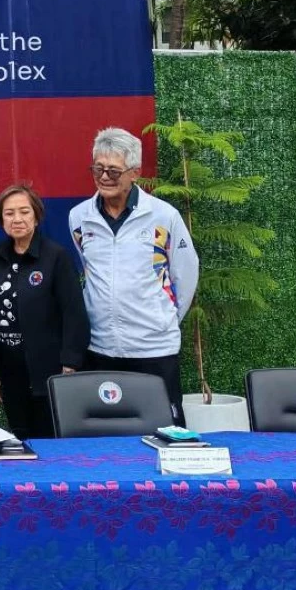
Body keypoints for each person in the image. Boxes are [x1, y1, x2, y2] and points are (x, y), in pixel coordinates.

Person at [69, 127, 199, 422]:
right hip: (100, 348)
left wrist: (161, 319)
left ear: (134, 173)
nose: (104, 178)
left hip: (155, 349)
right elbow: (87, 270)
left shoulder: (164, 216)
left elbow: (185, 274)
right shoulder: (78, 217)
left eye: (113, 171)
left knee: (166, 431)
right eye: (98, 169)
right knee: (107, 435)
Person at [0, 184, 89, 439]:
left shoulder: (55, 257)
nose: (17, 219)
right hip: (10, 372)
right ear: (1, 219)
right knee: (20, 438)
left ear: (36, 215)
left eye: (24, 212)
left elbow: (73, 312)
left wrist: (70, 363)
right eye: (9, 213)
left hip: (49, 370)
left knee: (48, 441)